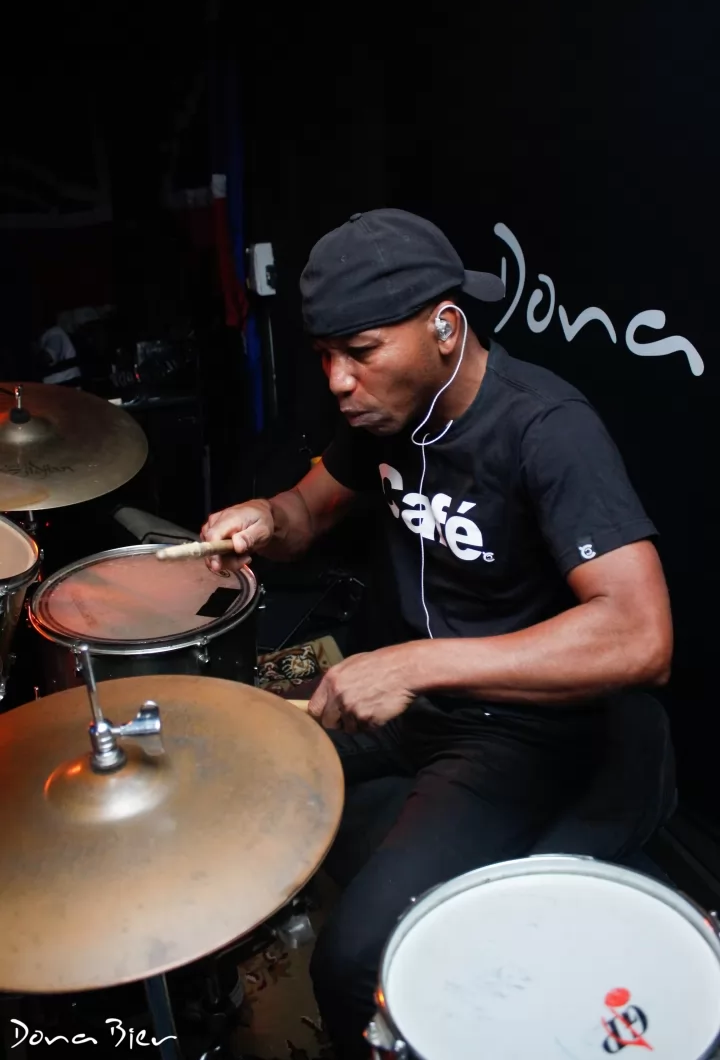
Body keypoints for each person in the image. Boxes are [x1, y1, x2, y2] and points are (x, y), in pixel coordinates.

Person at [202, 209, 674, 1058]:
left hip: (518, 728)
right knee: (228, 761)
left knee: (353, 962)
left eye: (361, 351)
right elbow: (309, 511)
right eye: (325, 356)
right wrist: (264, 519)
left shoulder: (546, 429)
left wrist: (416, 665)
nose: (338, 381)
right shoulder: (390, 413)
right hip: (421, 704)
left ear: (445, 328)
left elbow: (641, 638)